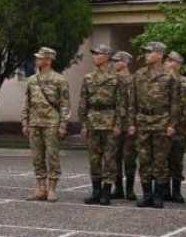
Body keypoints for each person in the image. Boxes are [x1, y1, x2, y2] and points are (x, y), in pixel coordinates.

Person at [130, 41, 179, 208]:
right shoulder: (139, 74)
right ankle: (147, 195)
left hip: (161, 120)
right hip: (143, 120)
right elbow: (132, 101)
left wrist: (172, 124)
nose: (146, 55)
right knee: (144, 159)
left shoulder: (169, 75)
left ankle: (159, 195)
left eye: (149, 52)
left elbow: (175, 103)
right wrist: (132, 122)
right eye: (145, 52)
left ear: (159, 55)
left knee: (160, 160)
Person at [21, 46, 70, 202]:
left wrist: (63, 125)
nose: (37, 60)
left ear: (48, 60)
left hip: (52, 123)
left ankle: (52, 189)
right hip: (35, 122)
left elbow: (65, 104)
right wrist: (24, 122)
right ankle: (40, 188)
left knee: (52, 156)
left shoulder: (59, 80)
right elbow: (27, 103)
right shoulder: (31, 80)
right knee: (37, 157)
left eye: (40, 58)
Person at [77, 45, 123, 205]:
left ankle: (106, 192)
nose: (95, 56)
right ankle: (95, 191)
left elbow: (122, 103)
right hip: (92, 121)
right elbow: (83, 102)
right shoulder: (88, 77)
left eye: (98, 54)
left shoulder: (116, 78)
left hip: (110, 121)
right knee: (94, 159)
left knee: (109, 159)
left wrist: (118, 124)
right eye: (94, 54)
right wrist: (83, 123)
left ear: (107, 56)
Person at [112, 50, 138, 200]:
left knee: (129, 159)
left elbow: (134, 104)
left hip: (128, 124)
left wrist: (132, 123)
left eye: (117, 61)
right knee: (115, 158)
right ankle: (118, 189)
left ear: (125, 62)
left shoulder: (132, 80)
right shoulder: (112, 79)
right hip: (115, 123)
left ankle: (130, 190)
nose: (115, 64)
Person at [165, 51, 186, 203]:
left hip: (179, 127)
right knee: (161, 159)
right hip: (161, 124)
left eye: (170, 61)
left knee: (176, 159)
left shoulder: (185, 82)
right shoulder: (161, 80)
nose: (167, 63)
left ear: (178, 64)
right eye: (167, 60)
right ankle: (164, 190)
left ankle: (176, 191)